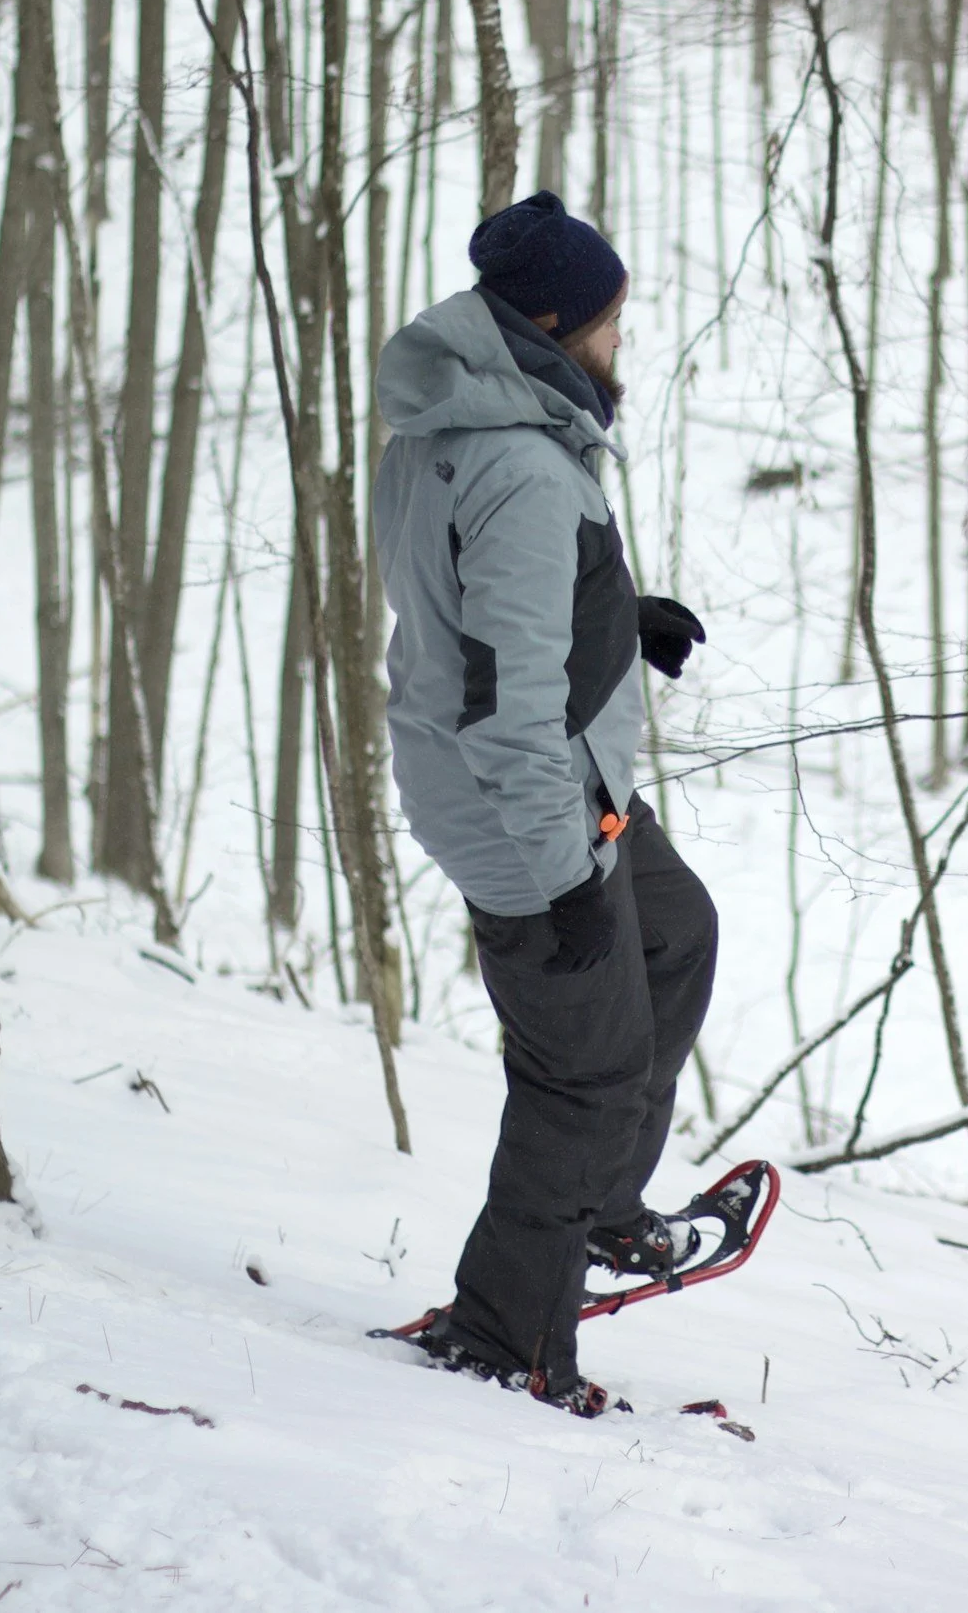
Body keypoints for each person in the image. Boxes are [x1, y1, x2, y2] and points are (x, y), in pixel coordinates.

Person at [370, 191, 717, 1415]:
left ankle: (600, 1209)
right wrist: (563, 881)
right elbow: (510, 708)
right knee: (583, 1072)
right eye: (613, 321)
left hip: (566, 779)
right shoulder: (522, 466)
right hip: (530, 808)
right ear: (557, 324)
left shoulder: (467, 416)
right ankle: (503, 1331)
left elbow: (487, 616)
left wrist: (619, 621)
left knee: (675, 936)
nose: (623, 341)